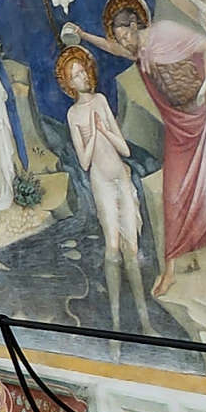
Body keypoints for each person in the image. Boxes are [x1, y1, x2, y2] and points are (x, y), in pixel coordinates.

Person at [67, 0, 206, 308]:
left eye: (124, 34)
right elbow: (115, 49)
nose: (122, 42)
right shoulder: (138, 50)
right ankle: (170, 269)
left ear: (134, 27)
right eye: (118, 37)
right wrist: (85, 36)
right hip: (180, 128)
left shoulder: (163, 34)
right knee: (172, 196)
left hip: (203, 119)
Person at [59, 45, 150, 330]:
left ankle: (145, 322)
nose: (81, 76)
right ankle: (115, 323)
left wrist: (106, 129)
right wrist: (93, 133)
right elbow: (84, 162)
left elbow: (123, 148)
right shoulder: (73, 115)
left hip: (121, 177)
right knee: (112, 248)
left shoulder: (100, 100)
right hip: (101, 182)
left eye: (82, 70)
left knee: (131, 250)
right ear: (69, 83)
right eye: (74, 75)